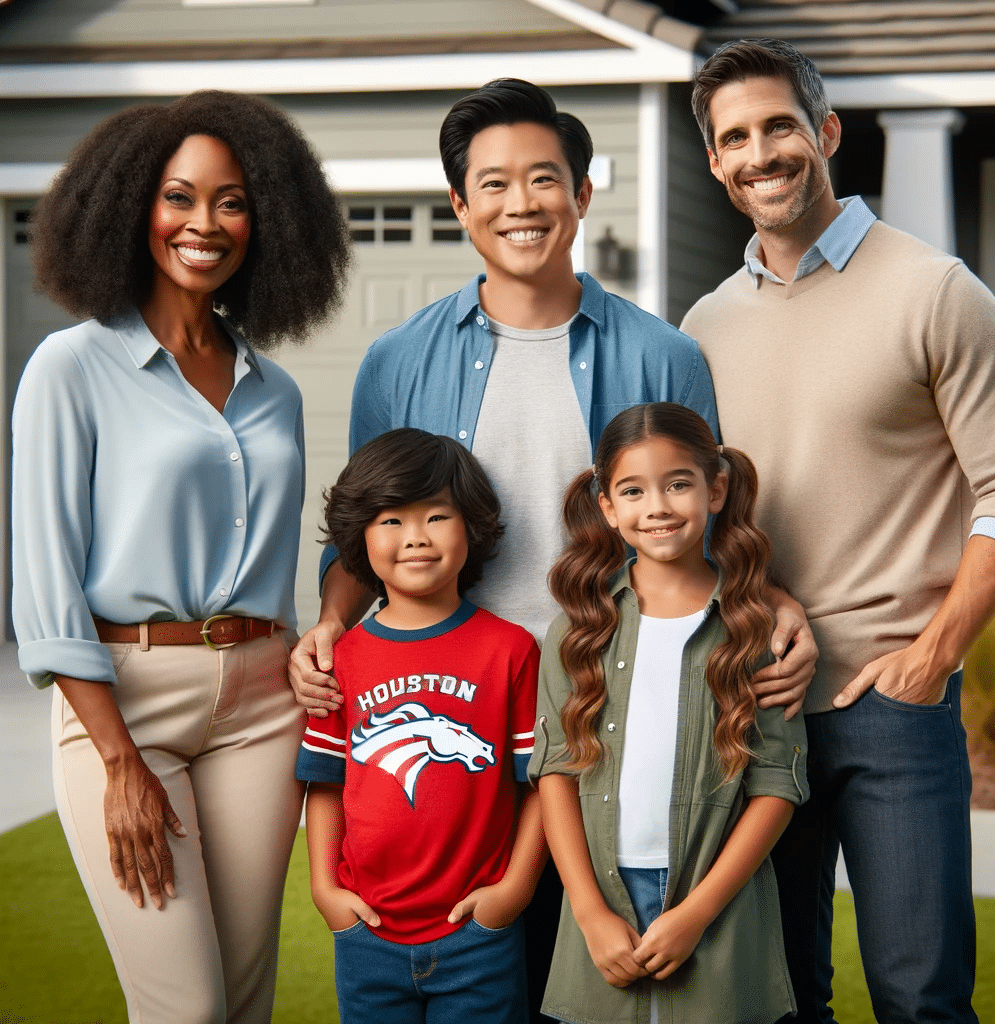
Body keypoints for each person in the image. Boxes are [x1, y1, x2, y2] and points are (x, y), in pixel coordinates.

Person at [286, 77, 816, 1021]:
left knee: (591, 989)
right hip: (458, 723)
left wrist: (778, 606)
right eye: (491, 184)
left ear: (582, 192)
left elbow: (701, 524)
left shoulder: (664, 356)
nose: (519, 204)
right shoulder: (396, 360)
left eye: (543, 179)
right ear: (459, 204)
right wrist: (329, 625)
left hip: (600, 719)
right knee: (474, 986)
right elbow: (358, 542)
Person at [682, 39, 995, 1024]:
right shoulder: (703, 326)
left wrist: (935, 654)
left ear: (824, 131)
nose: (761, 153)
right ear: (713, 162)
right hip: (754, 701)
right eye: (734, 137)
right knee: (780, 998)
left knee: (919, 997)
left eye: (779, 126)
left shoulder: (935, 291)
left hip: (892, 705)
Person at [12, 91, 349, 1024]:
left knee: (244, 1000)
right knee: (186, 1007)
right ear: (131, 207)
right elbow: (45, 585)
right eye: (179, 197)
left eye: (233, 200)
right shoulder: (70, 368)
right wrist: (117, 759)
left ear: (267, 219)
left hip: (264, 703)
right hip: (127, 702)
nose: (205, 224)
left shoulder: (272, 389)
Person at [530, 402, 807, 1024]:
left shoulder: (755, 632)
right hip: (603, 897)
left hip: (719, 901)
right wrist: (590, 913)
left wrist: (696, 914)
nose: (656, 506)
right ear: (608, 507)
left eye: (677, 484)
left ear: (716, 490)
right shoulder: (577, 633)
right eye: (633, 490)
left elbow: (776, 786)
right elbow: (555, 773)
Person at [297, 428, 545, 1024]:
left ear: (473, 527)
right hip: (367, 935)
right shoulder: (342, 658)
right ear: (359, 534)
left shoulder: (511, 651)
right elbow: (326, 784)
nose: (415, 538)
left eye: (437, 516)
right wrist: (325, 892)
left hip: (477, 936)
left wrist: (512, 894)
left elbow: (539, 784)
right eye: (390, 520)